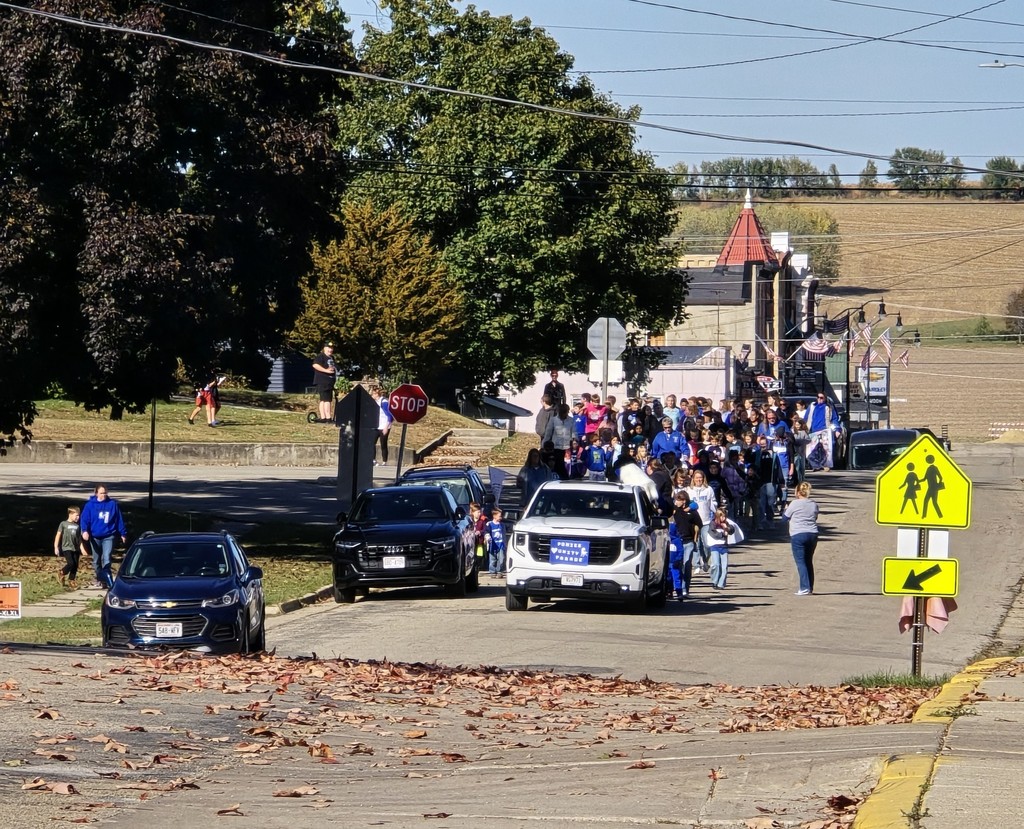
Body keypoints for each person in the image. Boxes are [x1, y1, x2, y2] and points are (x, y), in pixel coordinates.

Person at [79, 484, 127, 589]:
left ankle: (106, 579)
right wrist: (85, 531)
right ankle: (99, 578)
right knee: (96, 560)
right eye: (101, 493)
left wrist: (123, 533)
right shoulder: (90, 505)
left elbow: (118, 519)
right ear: (96, 493)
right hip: (95, 536)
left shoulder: (112, 504)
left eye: (105, 493)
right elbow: (84, 520)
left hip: (109, 535)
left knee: (106, 558)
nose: (103, 495)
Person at [782, 481, 820, 595]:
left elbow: (784, 518)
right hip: (812, 533)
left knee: (801, 562)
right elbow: (815, 517)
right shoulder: (813, 504)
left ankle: (804, 587)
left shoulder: (794, 503)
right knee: (808, 561)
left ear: (798, 492)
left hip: (798, 534)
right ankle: (809, 587)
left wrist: (785, 509)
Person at [668, 496, 702, 599]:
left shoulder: (692, 512)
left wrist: (691, 507)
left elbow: (699, 523)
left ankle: (684, 590)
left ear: (684, 501)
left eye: (678, 500)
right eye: (676, 500)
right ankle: (675, 589)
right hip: (677, 541)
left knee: (687, 565)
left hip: (689, 542)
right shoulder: (675, 511)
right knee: (677, 566)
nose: (676, 502)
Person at [703, 507, 740, 590]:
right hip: (715, 546)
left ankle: (721, 583)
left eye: (724, 516)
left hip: (724, 547)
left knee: (724, 566)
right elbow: (713, 533)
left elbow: (732, 529)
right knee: (716, 564)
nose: (723, 518)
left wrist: (727, 528)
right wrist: (723, 534)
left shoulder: (726, 523)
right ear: (717, 516)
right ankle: (714, 581)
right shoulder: (713, 523)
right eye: (721, 516)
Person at [53, 506, 87, 590]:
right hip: (66, 547)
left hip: (75, 548)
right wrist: (56, 547)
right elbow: (58, 535)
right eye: (76, 515)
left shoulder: (78, 526)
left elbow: (79, 539)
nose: (78, 517)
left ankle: (72, 580)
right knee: (71, 563)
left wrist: (82, 549)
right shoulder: (63, 524)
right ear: (70, 514)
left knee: (75, 565)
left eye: (79, 516)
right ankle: (62, 572)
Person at [805, 393, 841, 471]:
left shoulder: (829, 407)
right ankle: (815, 465)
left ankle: (824, 465)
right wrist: (804, 429)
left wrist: (837, 430)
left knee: (825, 450)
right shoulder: (812, 406)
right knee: (811, 450)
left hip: (825, 431)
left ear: (825, 398)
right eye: (818, 397)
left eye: (821, 397)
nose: (819, 399)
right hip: (812, 431)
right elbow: (806, 418)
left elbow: (834, 419)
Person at [311, 342, 337, 422]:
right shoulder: (321, 356)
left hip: (329, 382)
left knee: (324, 399)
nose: (330, 350)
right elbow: (315, 365)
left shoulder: (331, 358)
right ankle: (327, 418)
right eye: (329, 348)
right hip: (323, 381)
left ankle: (323, 418)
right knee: (326, 400)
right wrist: (326, 370)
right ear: (324, 348)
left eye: (332, 348)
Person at [370, 386, 393, 465]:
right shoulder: (374, 402)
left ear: (377, 394)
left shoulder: (384, 402)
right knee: (372, 442)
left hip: (384, 426)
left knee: (383, 443)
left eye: (373, 394)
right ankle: (373, 460)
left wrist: (386, 427)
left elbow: (390, 416)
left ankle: (384, 461)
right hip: (376, 426)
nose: (372, 396)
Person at [485, 508, 506, 577]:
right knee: (493, 559)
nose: (501, 517)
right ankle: (492, 571)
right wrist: (488, 538)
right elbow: (486, 532)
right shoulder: (489, 524)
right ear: (494, 516)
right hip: (492, 544)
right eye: (499, 516)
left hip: (500, 544)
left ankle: (499, 571)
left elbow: (504, 533)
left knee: (501, 559)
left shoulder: (502, 525)